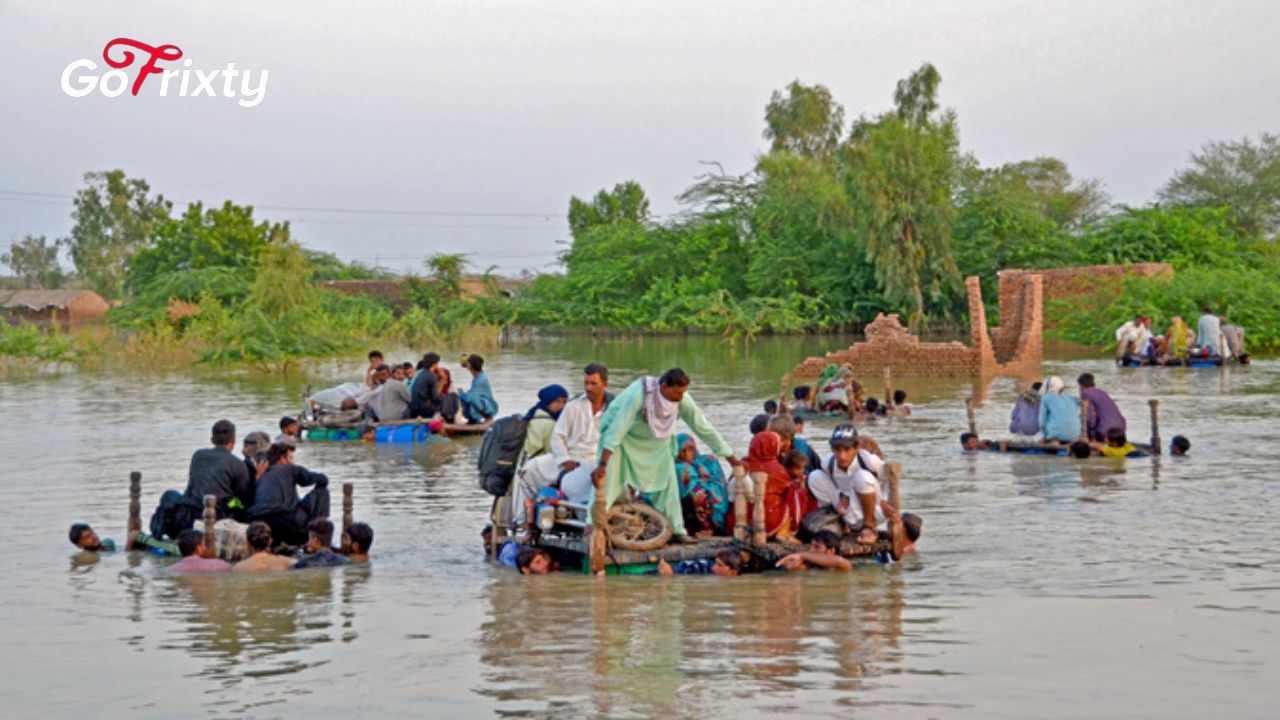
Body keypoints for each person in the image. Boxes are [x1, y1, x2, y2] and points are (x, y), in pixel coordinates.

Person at [591, 368, 743, 544]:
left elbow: (703, 427)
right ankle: (592, 526)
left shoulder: (682, 400)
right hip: (622, 438)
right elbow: (618, 428)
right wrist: (602, 464)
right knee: (610, 480)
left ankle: (677, 530)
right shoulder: (638, 394)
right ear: (664, 386)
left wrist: (731, 459)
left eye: (684, 392)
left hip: (656, 439)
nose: (681, 396)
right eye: (678, 392)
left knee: (667, 481)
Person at [513, 366, 611, 527]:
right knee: (526, 471)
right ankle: (522, 521)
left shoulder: (614, 409)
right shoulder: (574, 406)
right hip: (570, 457)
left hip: (596, 460)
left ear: (605, 385)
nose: (588, 388)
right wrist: (564, 460)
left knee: (579, 486)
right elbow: (557, 437)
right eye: (586, 383)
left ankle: (586, 523)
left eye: (593, 384)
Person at [806, 424, 895, 544]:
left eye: (847, 450)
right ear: (832, 449)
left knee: (862, 476)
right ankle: (838, 522)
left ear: (856, 448)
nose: (842, 456)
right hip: (847, 509)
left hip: (874, 510)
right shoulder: (828, 464)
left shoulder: (869, 461)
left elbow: (890, 478)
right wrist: (842, 496)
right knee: (814, 476)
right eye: (838, 450)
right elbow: (832, 486)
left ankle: (869, 527)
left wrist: (885, 500)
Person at [247, 443, 331, 547]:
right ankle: (318, 535)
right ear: (282, 459)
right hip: (285, 522)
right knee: (322, 491)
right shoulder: (290, 468)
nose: (293, 462)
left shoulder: (260, 476)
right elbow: (322, 479)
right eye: (291, 458)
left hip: (257, 520)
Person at [185, 419, 254, 520]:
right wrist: (257, 477)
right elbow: (244, 498)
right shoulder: (237, 463)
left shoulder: (198, 456)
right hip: (221, 514)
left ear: (212, 439)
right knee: (241, 504)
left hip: (194, 511)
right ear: (233, 440)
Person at [746, 430, 808, 541]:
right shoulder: (776, 469)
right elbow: (788, 488)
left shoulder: (743, 463)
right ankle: (785, 532)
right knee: (795, 493)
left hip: (740, 521)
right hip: (765, 522)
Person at [673, 433, 731, 536]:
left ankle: (717, 525)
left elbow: (718, 479)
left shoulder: (705, 461)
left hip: (706, 493)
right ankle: (706, 527)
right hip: (688, 502)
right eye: (683, 451)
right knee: (699, 495)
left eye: (690, 450)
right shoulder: (680, 467)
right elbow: (691, 486)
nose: (687, 454)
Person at [522, 384, 569, 459]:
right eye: (557, 401)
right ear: (547, 402)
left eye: (564, 402)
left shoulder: (533, 414)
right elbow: (552, 450)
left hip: (526, 462)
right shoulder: (549, 423)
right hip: (538, 465)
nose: (561, 405)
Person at [1077, 373, 1126, 442]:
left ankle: (1092, 442)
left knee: (1082, 417)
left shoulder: (1085, 393)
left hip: (1105, 431)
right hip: (1121, 428)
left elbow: (1091, 416)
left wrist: (1091, 435)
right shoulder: (1102, 392)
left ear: (1081, 386)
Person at [775, 529, 853, 572]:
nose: (811, 550)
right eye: (811, 546)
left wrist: (802, 555)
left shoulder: (843, 567)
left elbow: (839, 561)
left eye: (817, 547)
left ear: (831, 551)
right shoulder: (809, 566)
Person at [1037, 376, 1081, 443]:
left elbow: (1042, 422)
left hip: (1056, 435)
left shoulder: (1046, 398)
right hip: (1075, 434)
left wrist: (1045, 436)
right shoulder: (1071, 398)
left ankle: (1054, 441)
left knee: (1051, 438)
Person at [457, 354, 498, 424]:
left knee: (463, 397)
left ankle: (477, 419)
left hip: (486, 408)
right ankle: (473, 418)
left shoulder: (480, 380)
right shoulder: (478, 376)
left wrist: (461, 393)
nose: (466, 364)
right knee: (464, 395)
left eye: (468, 362)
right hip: (482, 405)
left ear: (471, 366)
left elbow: (472, 398)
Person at [408, 352, 445, 419]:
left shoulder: (420, 373)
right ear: (434, 364)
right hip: (424, 411)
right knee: (450, 398)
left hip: (413, 410)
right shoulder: (432, 376)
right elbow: (435, 398)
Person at [656, 549, 743, 577]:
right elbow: (687, 566)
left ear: (733, 572)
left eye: (719, 565)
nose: (714, 567)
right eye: (716, 563)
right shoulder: (703, 566)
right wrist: (671, 571)